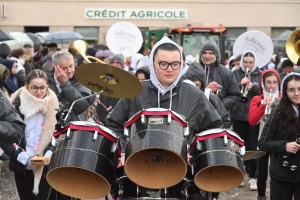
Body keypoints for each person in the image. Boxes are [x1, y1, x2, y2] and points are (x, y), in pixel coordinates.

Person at [0, 69, 58, 200]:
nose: (39, 92)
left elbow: (57, 133)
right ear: (27, 87)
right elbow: (5, 136)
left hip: (45, 166)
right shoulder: (16, 106)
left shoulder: (53, 105)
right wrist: (22, 156)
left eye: (42, 88)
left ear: (47, 87)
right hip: (22, 165)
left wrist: (49, 152)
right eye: (34, 88)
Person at [258, 72, 300, 200]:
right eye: (291, 90)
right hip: (281, 174)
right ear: (285, 91)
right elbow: (263, 143)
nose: (297, 93)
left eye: (299, 89)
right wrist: (284, 146)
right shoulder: (278, 111)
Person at [248, 69, 281, 200]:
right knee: (261, 172)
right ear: (263, 83)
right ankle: (261, 195)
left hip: (278, 140)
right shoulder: (257, 99)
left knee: (276, 172)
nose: (271, 86)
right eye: (268, 82)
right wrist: (263, 105)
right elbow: (252, 121)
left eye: (274, 82)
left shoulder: (282, 99)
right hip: (262, 139)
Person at [232, 51, 262, 191]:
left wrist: (253, 87)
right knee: (238, 146)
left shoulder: (260, 75)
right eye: (245, 62)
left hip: (253, 115)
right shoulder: (235, 73)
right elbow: (230, 90)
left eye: (250, 62)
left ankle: (253, 177)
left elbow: (263, 91)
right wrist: (240, 85)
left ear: (254, 63)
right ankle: (239, 174)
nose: (248, 65)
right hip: (238, 115)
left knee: (252, 146)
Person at [47, 50, 93, 123]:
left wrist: (65, 84)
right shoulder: (45, 81)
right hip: (51, 125)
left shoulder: (81, 79)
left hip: (74, 127)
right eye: (64, 68)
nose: (69, 70)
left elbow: (82, 106)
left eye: (71, 66)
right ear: (54, 68)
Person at [198, 40, 240, 112]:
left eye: (211, 53)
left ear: (215, 55)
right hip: (199, 113)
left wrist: (219, 105)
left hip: (220, 117)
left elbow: (235, 95)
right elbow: (187, 92)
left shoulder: (226, 72)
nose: (207, 56)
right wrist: (205, 90)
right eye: (204, 53)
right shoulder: (194, 70)